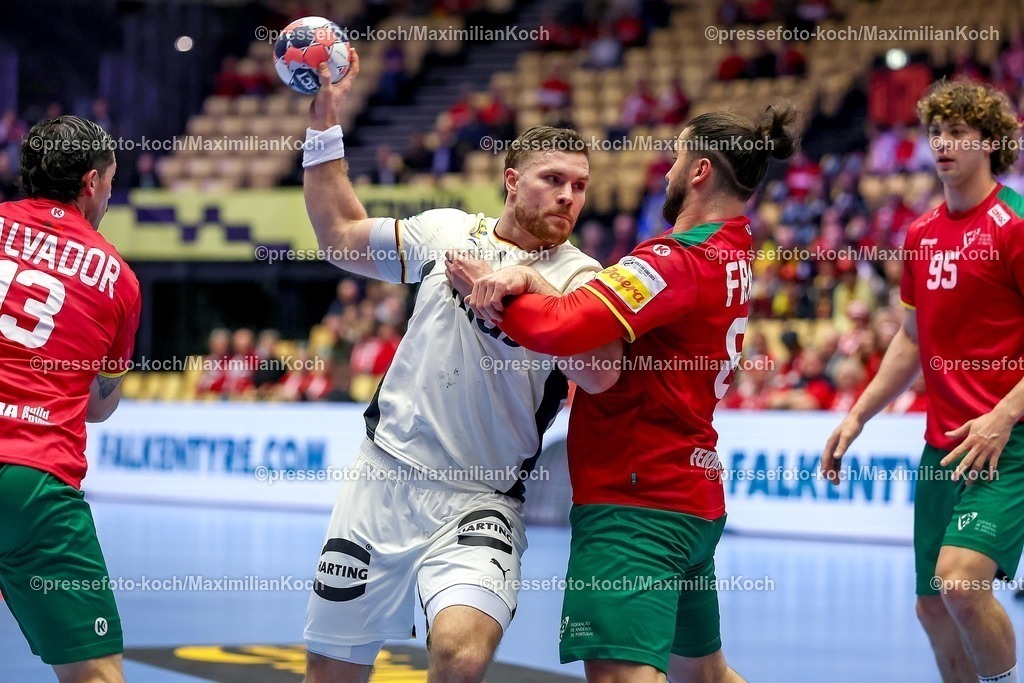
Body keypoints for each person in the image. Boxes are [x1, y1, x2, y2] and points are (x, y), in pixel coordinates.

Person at [299, 49, 620, 683]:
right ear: (511, 180)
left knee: (461, 656)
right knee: (331, 675)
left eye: (580, 186)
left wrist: (521, 294)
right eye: (553, 179)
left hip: (483, 497)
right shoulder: (446, 232)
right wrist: (324, 123)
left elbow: (602, 371)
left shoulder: (582, 277)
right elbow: (338, 234)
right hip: (383, 480)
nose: (568, 196)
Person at [448, 105, 798, 682]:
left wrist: (491, 291)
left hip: (635, 505)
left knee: (621, 675)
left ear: (700, 171)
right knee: (707, 675)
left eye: (677, 157)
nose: (668, 171)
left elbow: (565, 327)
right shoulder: (734, 252)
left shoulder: (677, 259)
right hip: (689, 499)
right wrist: (535, 278)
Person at [822, 80, 1024, 683]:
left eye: (958, 132)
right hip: (944, 448)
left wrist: (1004, 415)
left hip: (1008, 442)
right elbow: (911, 339)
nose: (942, 143)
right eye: (935, 132)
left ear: (990, 142)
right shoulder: (921, 234)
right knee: (932, 606)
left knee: (960, 585)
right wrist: (858, 415)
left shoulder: (1014, 224)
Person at [0, 116, 141, 682]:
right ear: (91, 182)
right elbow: (99, 406)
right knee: (95, 671)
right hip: (36, 481)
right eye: (110, 181)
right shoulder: (119, 279)